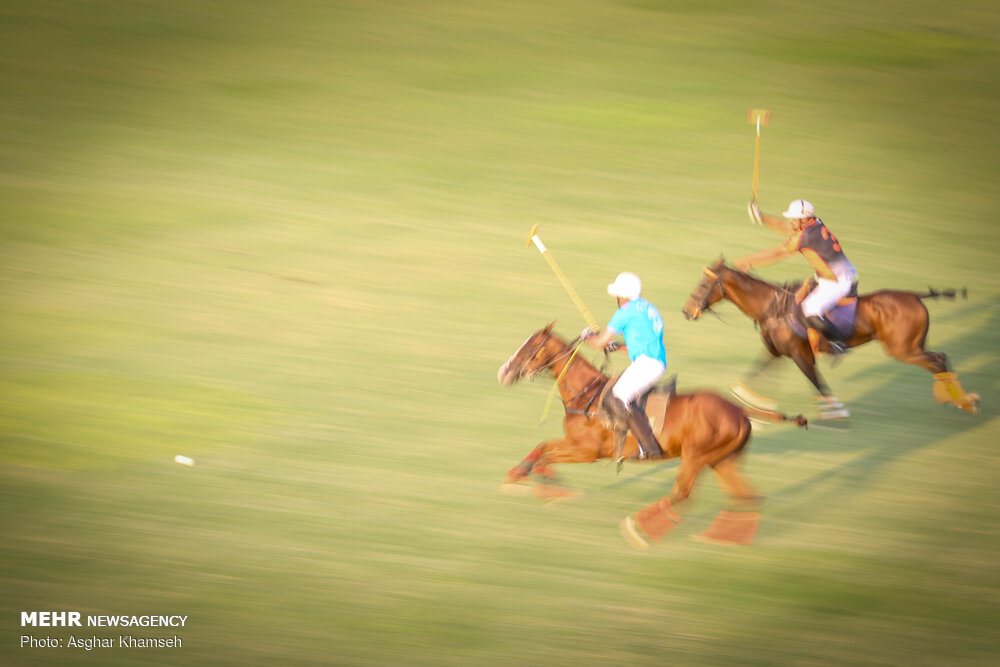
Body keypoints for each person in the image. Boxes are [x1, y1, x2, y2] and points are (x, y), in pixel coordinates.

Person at [737, 199, 857, 355]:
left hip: (837, 281)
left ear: (804, 219)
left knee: (810, 309)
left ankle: (837, 343)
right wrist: (762, 217)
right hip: (828, 276)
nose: (790, 221)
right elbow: (786, 227)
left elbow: (777, 253)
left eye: (794, 218)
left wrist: (747, 262)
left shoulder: (805, 236)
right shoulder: (814, 224)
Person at [581, 272, 665, 459]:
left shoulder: (624, 313)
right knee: (622, 395)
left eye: (618, 295)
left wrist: (587, 336)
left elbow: (597, 343)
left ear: (624, 295)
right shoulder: (649, 309)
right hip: (656, 362)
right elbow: (642, 345)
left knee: (616, 397)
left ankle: (649, 448)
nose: (617, 299)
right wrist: (617, 347)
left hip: (646, 365)